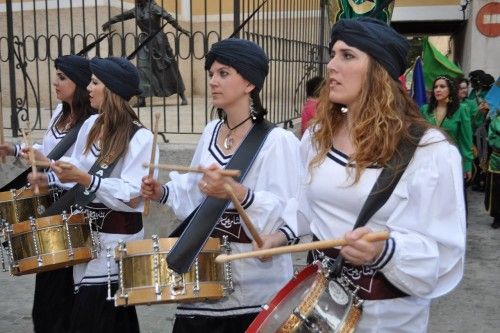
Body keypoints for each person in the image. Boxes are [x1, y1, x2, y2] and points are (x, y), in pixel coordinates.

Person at [260, 17, 466, 332]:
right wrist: (277, 238)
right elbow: (304, 206)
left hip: (388, 318)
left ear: (378, 72)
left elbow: (443, 254)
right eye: (332, 54)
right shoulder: (317, 136)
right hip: (320, 308)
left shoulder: (430, 151)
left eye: (347, 55)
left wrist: (383, 251)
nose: (331, 65)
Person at [140, 38, 300, 333]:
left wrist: (241, 195)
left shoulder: (278, 142)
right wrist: (161, 192)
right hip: (203, 280)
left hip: (253, 291)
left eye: (223, 73)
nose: (213, 81)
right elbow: (192, 191)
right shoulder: (210, 131)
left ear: (250, 83)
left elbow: (291, 213)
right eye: (211, 73)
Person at [29, 56, 157, 333]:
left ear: (111, 90)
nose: (88, 87)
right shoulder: (91, 126)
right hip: (86, 240)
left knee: (89, 319)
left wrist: (87, 179)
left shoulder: (140, 138)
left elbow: (133, 195)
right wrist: (50, 176)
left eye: (95, 82)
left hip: (116, 244)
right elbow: (75, 169)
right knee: (111, 320)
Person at [1, 55, 95, 333]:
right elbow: (47, 151)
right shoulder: (60, 112)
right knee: (48, 293)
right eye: (56, 75)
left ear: (78, 84)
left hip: (70, 209)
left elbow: (80, 165)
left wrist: (50, 173)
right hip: (50, 206)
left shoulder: (91, 122)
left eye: (62, 77)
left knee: (59, 291)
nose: (55, 82)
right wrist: (16, 150)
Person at [102, 0, 190, 106]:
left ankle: (182, 95)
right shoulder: (137, 10)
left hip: (158, 41)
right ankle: (142, 99)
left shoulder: (154, 8)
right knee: (142, 68)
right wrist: (110, 21)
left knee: (168, 68)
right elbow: (122, 16)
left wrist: (182, 30)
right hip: (144, 41)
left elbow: (169, 18)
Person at [420, 75, 473, 182]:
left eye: (442, 86)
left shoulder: (461, 109)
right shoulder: (425, 110)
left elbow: (466, 140)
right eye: (435, 87)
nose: (438, 90)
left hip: (450, 160)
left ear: (451, 89)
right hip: (427, 160)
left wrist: (467, 164)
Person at [486, 112, 500, 229]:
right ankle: (497, 217)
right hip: (497, 161)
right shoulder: (495, 121)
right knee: (496, 190)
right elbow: (492, 140)